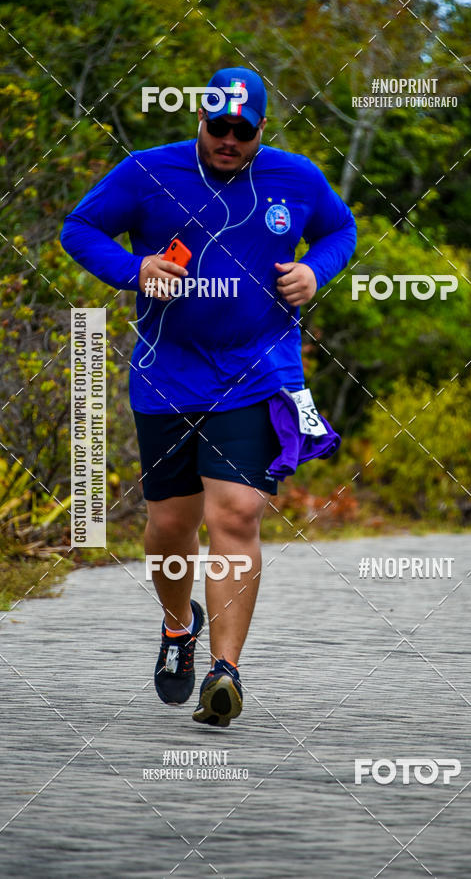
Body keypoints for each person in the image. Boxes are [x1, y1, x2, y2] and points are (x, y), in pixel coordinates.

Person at [61, 66, 357, 727]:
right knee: (171, 527)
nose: (228, 141)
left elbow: (342, 230)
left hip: (256, 372)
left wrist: (317, 270)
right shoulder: (146, 172)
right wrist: (133, 268)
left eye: (241, 131)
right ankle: (177, 626)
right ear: (199, 120)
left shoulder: (296, 177)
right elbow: (78, 228)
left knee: (239, 513)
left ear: (260, 130)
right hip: (167, 375)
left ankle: (226, 673)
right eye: (217, 127)